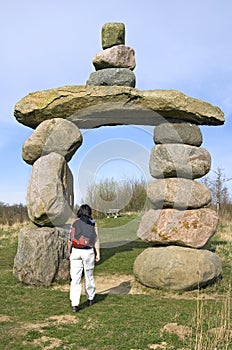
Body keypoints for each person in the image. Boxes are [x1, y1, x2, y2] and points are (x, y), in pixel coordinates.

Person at [68, 204, 100, 312]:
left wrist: (70, 252)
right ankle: (90, 298)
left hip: (76, 251)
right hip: (88, 251)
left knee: (75, 278)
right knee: (89, 275)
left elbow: (70, 239)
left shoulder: (74, 222)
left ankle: (75, 304)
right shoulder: (93, 223)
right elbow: (96, 239)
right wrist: (98, 253)